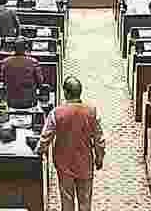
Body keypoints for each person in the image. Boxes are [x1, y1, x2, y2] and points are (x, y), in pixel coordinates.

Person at [36, 77, 105, 211]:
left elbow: (45, 137)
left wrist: (39, 152)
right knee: (85, 202)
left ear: (66, 93)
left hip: (64, 164)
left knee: (66, 201)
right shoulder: (91, 111)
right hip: (85, 162)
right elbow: (99, 138)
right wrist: (99, 157)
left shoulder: (56, 113)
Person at [2, 37, 46, 109]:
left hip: (11, 101)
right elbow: (40, 82)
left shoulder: (6, 62)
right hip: (30, 101)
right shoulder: (33, 62)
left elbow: (3, 80)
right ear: (26, 48)